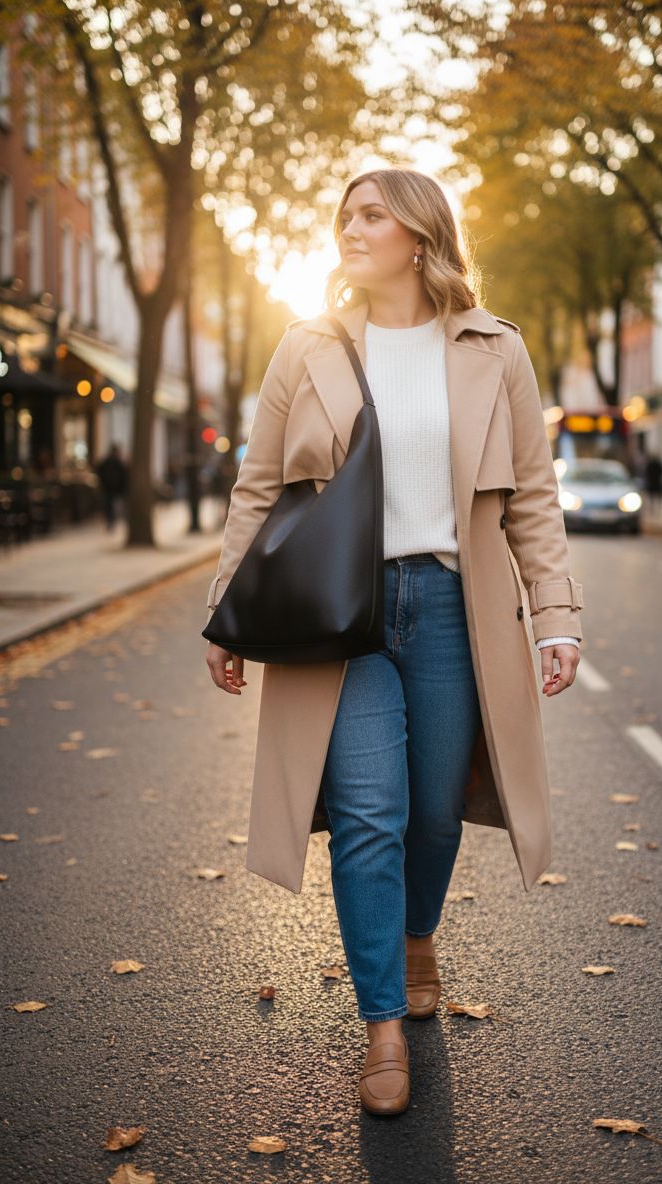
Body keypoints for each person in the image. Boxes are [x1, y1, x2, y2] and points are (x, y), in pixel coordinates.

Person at [204, 167, 584, 1116]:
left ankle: (419, 935)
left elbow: (533, 498)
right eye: (345, 214)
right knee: (369, 815)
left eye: (372, 214)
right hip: (340, 615)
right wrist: (226, 611)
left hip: (455, 606)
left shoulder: (496, 349)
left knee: (436, 814)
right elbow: (258, 488)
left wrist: (556, 615)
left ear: (419, 236)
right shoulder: (308, 347)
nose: (351, 227)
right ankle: (381, 1026)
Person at [95, 443, 128, 530]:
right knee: (115, 504)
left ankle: (111, 520)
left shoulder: (106, 461)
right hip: (115, 488)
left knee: (109, 505)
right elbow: (124, 475)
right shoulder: (118, 462)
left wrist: (102, 483)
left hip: (108, 488)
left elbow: (99, 471)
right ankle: (113, 520)